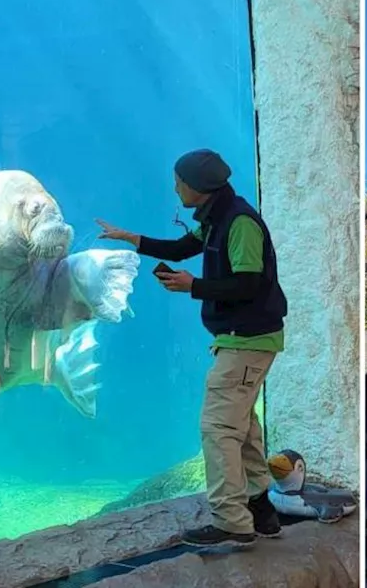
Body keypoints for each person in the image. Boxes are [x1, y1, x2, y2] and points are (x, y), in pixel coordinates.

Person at [96, 149, 288, 547]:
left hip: (246, 341)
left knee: (218, 430)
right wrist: (132, 239)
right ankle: (260, 509)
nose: (175, 187)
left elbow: (249, 283)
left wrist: (193, 286)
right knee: (244, 428)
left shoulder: (239, 223)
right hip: (244, 341)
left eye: (179, 181)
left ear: (198, 187)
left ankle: (231, 521)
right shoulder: (218, 216)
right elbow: (182, 248)